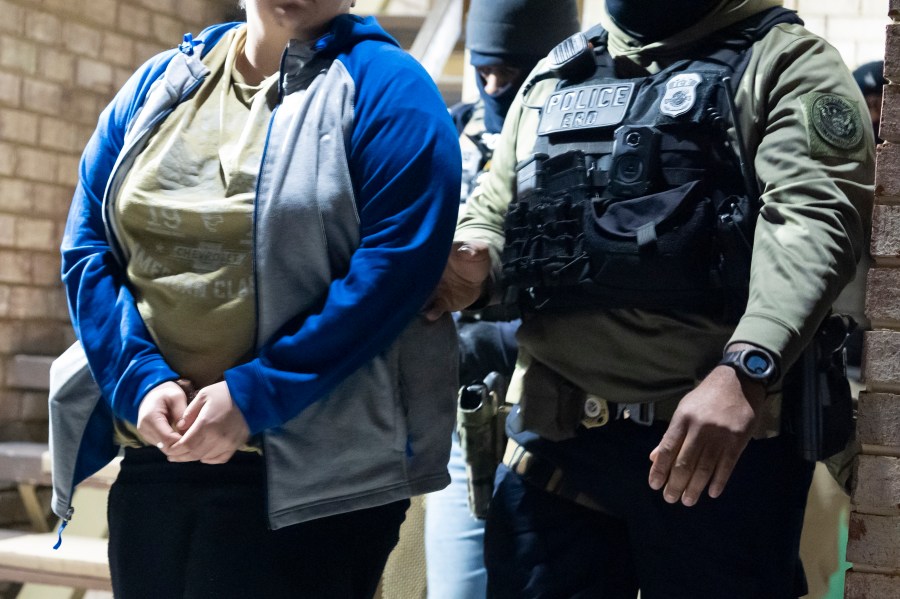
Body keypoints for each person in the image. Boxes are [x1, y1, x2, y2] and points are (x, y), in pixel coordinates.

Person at [425, 0, 874, 597]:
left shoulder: (785, 61)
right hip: (555, 445)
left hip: (715, 452)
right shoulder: (558, 73)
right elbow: (498, 206)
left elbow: (814, 219)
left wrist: (747, 365)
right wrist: (475, 257)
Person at [55, 1, 461, 597]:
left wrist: (255, 395)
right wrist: (136, 378)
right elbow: (87, 243)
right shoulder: (161, 82)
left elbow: (395, 271)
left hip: (314, 480)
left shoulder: (391, 88)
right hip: (161, 455)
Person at [424, 2, 579, 597]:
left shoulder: (581, 148)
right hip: (458, 421)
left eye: (510, 75)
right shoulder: (445, 139)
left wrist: (504, 337)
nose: (492, 88)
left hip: (553, 417)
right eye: (483, 70)